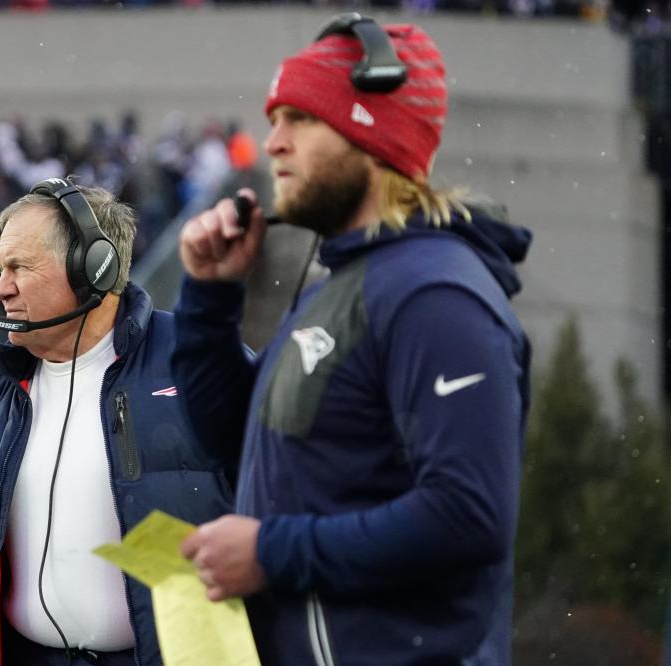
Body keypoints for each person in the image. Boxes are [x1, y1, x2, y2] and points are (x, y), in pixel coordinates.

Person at [173, 15, 532, 666]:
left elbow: (468, 515)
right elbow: (236, 445)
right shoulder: (340, 285)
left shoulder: (434, 297)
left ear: (374, 135)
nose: (272, 143)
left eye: (301, 119)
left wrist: (270, 553)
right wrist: (209, 298)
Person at [0, 180, 233, 666]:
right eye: (0, 268)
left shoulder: (203, 367)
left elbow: (279, 523)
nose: (1, 287)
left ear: (94, 268)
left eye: (19, 267)